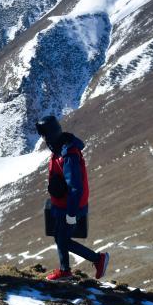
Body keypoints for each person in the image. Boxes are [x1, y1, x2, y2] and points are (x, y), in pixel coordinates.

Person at [36, 115, 109, 282]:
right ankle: (66, 270)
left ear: (52, 133)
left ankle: (96, 260)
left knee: (63, 239)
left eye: (45, 134)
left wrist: (71, 213)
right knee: (60, 237)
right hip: (61, 204)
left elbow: (75, 187)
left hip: (69, 206)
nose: (44, 138)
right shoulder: (60, 148)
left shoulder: (68, 154)